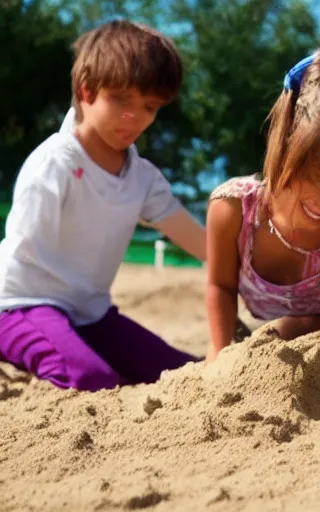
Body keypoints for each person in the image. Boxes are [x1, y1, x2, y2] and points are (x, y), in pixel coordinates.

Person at [0, 20, 207, 391]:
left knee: (186, 374)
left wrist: (259, 274)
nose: (135, 116)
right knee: (91, 378)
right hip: (22, 303)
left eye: (150, 106)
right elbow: (22, 252)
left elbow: (201, 243)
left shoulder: (142, 177)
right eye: (121, 98)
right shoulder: (56, 162)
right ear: (86, 91)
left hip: (90, 315)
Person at [205, 50, 320, 362]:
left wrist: (303, 338)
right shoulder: (233, 209)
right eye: (316, 179)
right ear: (284, 143)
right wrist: (218, 357)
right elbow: (220, 287)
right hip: (248, 346)